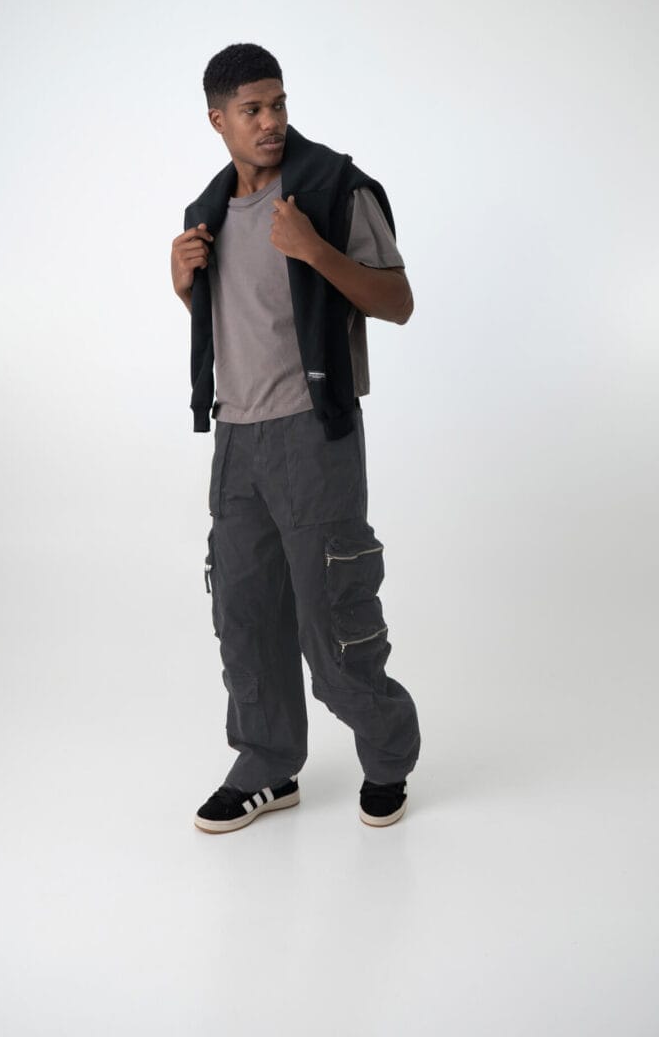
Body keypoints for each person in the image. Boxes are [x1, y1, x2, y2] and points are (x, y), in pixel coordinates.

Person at [171, 43, 421, 833]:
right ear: (218, 120)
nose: (271, 121)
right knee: (244, 617)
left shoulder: (335, 189)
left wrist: (315, 250)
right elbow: (239, 322)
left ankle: (388, 755)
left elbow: (398, 301)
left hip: (314, 436)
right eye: (252, 110)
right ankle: (268, 765)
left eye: (277, 104)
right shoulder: (206, 212)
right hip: (236, 441)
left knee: (333, 619)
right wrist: (184, 287)